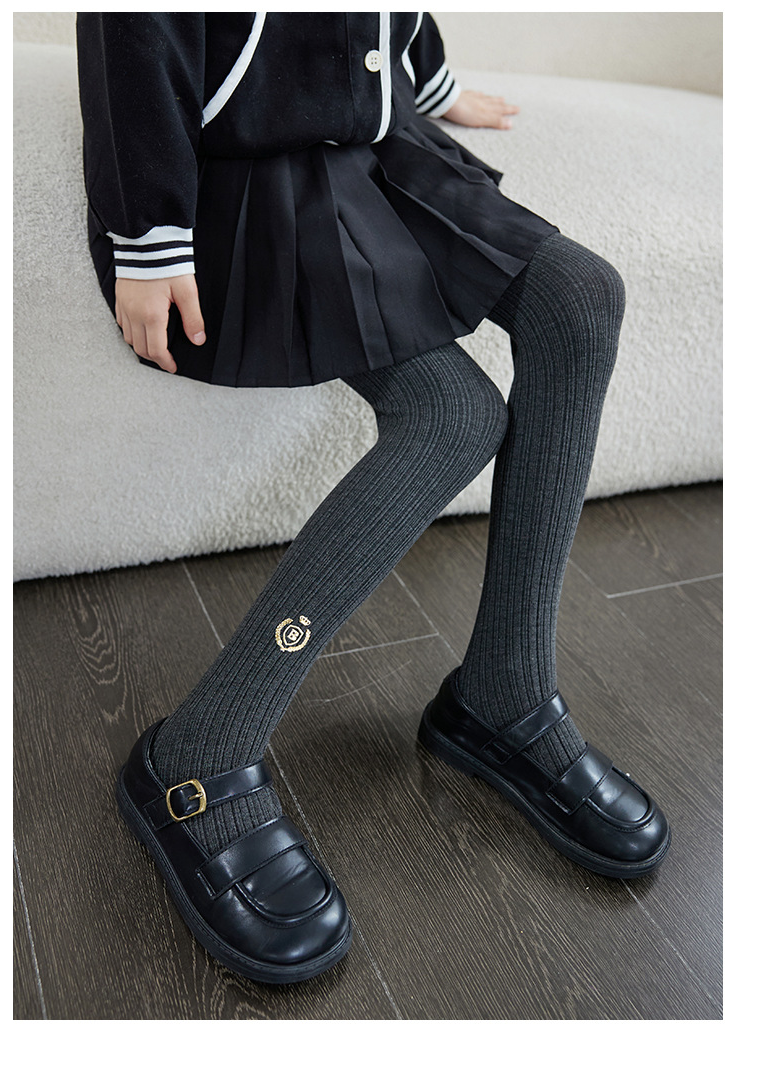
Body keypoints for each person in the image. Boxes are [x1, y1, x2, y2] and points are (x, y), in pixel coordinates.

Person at [76, 12, 670, 986]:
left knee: (581, 297)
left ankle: (505, 693)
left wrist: (424, 81)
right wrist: (148, 235)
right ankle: (199, 751)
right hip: (250, 162)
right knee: (453, 417)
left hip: (370, 135)